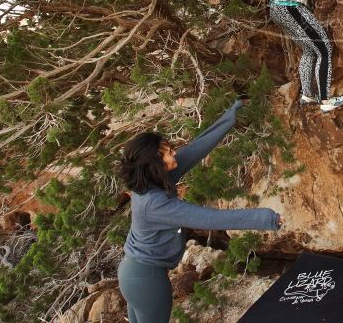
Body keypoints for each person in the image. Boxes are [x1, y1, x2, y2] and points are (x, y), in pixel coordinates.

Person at [116, 99, 282, 323]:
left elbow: (195, 149)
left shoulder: (149, 182)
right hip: (148, 279)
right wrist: (267, 218)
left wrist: (229, 117)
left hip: (133, 274)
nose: (173, 154)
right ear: (153, 164)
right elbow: (210, 218)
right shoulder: (155, 204)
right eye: (166, 153)